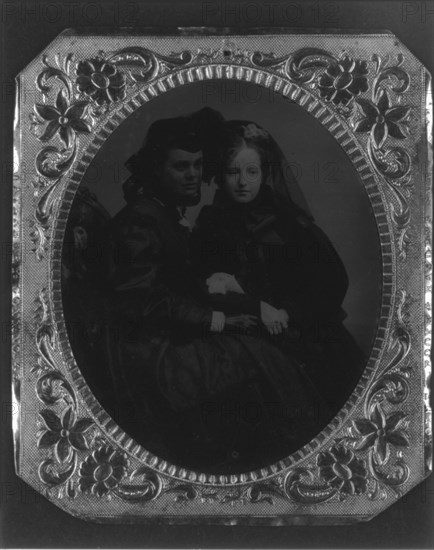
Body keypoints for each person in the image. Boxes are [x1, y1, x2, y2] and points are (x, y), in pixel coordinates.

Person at [107, 109, 329, 473]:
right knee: (257, 356)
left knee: (264, 349)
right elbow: (140, 300)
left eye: (197, 165)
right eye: (181, 167)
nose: (194, 174)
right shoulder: (141, 220)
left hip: (167, 329)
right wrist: (217, 320)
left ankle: (289, 456)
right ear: (156, 170)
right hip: (147, 350)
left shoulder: (166, 213)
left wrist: (235, 302)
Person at [191, 120, 366, 418]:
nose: (243, 182)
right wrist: (253, 304)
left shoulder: (288, 222)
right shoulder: (210, 225)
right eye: (233, 172)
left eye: (252, 172)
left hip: (304, 331)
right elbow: (201, 286)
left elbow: (333, 280)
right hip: (243, 333)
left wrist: (288, 312)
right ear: (220, 175)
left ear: (264, 173)